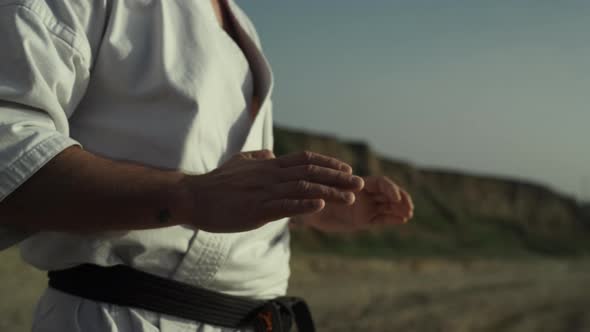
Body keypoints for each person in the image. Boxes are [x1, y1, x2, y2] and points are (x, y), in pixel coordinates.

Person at [0, 0, 414, 331]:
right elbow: (10, 149)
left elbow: (204, 172)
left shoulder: (241, 23)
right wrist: (185, 196)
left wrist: (302, 209)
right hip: (123, 318)